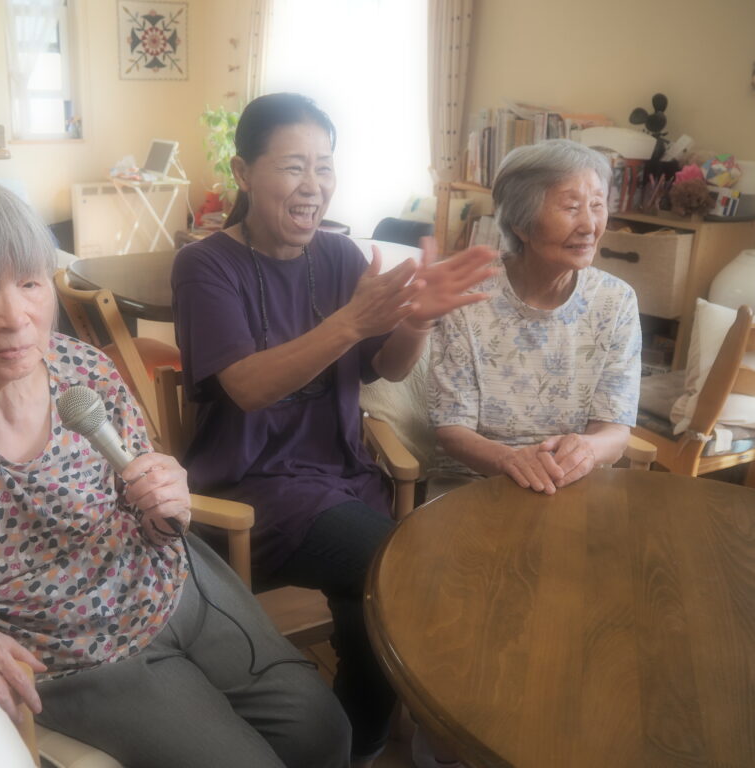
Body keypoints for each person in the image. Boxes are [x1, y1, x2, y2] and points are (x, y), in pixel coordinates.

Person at [0, 180, 352, 768]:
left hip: (172, 582)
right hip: (63, 653)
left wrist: (167, 498)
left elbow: (144, 492)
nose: (15, 318)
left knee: (323, 731)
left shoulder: (85, 370)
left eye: (30, 283)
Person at [171, 92, 495, 766]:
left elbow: (384, 368)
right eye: (293, 166)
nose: (312, 185)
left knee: (380, 589)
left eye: (324, 166)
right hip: (252, 488)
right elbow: (247, 387)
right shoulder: (206, 265)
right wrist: (350, 321)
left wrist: (417, 321)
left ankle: (347, 742)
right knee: (393, 571)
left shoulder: (343, 257)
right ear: (243, 172)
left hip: (342, 475)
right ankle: (354, 743)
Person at [427, 139, 641, 498]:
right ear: (521, 225)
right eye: (571, 207)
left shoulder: (616, 302)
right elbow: (452, 430)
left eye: (597, 205)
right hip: (475, 486)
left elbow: (615, 431)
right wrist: (511, 460)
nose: (589, 225)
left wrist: (586, 449)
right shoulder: (469, 297)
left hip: (573, 485)